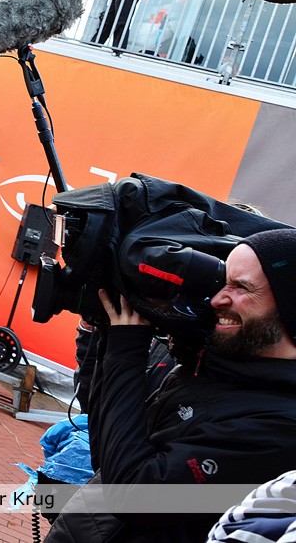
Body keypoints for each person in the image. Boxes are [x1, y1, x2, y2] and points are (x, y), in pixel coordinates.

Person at [45, 227, 296, 543]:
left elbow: (133, 496)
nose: (217, 299)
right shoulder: (208, 362)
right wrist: (109, 329)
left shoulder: (281, 427)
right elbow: (108, 456)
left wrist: (127, 347)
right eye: (223, 282)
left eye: (241, 287)